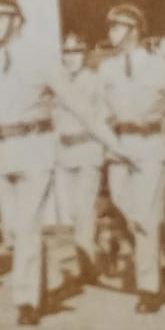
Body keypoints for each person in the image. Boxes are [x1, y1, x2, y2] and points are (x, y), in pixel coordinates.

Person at [0, 0, 128, 325]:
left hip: (34, 148)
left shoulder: (40, 58)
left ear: (17, 20)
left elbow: (79, 106)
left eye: (0, 17)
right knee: (13, 230)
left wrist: (114, 144)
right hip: (1, 150)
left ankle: (26, 301)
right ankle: (51, 280)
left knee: (27, 225)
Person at [97, 2, 165, 314]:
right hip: (120, 143)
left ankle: (150, 288)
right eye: (110, 26)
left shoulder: (158, 65)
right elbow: (100, 106)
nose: (111, 31)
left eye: (117, 26)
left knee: (146, 216)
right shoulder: (107, 68)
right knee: (124, 203)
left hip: (151, 143)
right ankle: (159, 253)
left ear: (134, 30)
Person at [54, 32, 106, 283]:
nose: (71, 57)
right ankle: (100, 245)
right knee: (73, 211)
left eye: (76, 51)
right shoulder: (59, 83)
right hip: (65, 153)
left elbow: (103, 115)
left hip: (88, 150)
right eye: (67, 52)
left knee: (83, 208)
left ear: (84, 55)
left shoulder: (95, 81)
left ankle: (87, 266)